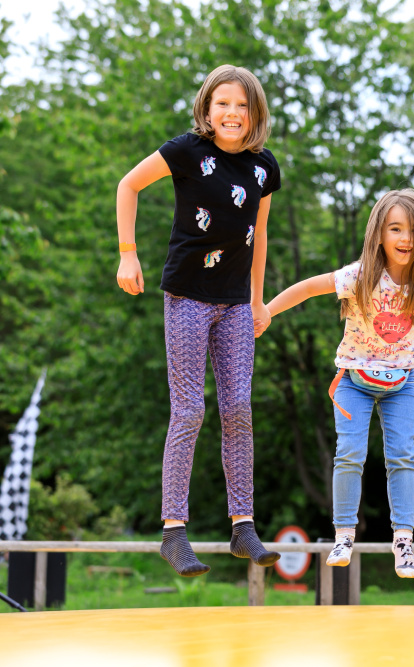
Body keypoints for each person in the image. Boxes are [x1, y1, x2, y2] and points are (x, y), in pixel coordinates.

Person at [265, 189, 414, 578]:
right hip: (354, 378)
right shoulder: (360, 277)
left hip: (402, 382)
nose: (406, 239)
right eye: (396, 229)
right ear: (379, 235)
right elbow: (305, 288)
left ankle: (403, 539)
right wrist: (266, 311)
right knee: (350, 453)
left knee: (402, 455)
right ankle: (344, 534)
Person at [115, 65, 281, 576]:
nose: (232, 113)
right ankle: (173, 531)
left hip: (235, 303)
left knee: (237, 408)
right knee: (188, 411)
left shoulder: (263, 168)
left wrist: (257, 301)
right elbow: (128, 185)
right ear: (207, 110)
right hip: (188, 295)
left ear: (255, 114)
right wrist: (128, 253)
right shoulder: (187, 151)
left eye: (242, 105)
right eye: (222, 104)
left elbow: (260, 236)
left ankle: (242, 525)